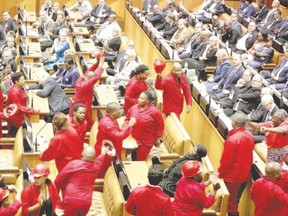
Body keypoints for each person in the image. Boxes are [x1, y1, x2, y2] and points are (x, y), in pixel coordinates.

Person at [54, 145, 109, 216]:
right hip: (86, 203)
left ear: (82, 154)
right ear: (93, 158)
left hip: (71, 200)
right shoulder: (96, 167)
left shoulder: (73, 164)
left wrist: (56, 199)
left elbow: (58, 180)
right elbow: (99, 161)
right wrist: (103, 153)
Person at [218, 112, 254, 216]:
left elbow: (226, 161)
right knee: (235, 201)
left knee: (231, 205)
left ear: (234, 123)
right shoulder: (249, 135)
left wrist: (220, 174)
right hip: (245, 175)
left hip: (233, 178)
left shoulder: (232, 140)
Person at [94, 102, 136, 178]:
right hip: (107, 153)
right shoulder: (107, 124)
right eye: (119, 109)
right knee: (105, 174)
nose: (121, 111)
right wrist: (130, 125)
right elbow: (119, 136)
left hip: (112, 149)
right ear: (113, 112)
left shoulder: (111, 119)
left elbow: (117, 132)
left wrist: (126, 126)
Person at [69, 53, 105, 130]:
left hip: (76, 105)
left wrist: (97, 62)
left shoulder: (81, 79)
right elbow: (96, 76)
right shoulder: (87, 85)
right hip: (82, 108)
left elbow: (89, 70)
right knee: (91, 126)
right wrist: (101, 64)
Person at [125, 91, 164, 161]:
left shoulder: (155, 112)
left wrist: (158, 138)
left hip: (145, 141)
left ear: (148, 101)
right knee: (131, 157)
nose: (139, 100)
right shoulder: (134, 108)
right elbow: (127, 119)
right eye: (139, 97)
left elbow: (160, 126)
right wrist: (127, 126)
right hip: (133, 139)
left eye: (142, 99)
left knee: (139, 161)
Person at [6, 72, 39, 136]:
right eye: (22, 80)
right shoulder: (14, 92)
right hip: (14, 118)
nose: (24, 81)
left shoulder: (18, 88)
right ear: (16, 82)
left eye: (24, 79)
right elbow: (18, 107)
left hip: (19, 116)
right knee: (16, 136)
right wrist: (32, 110)